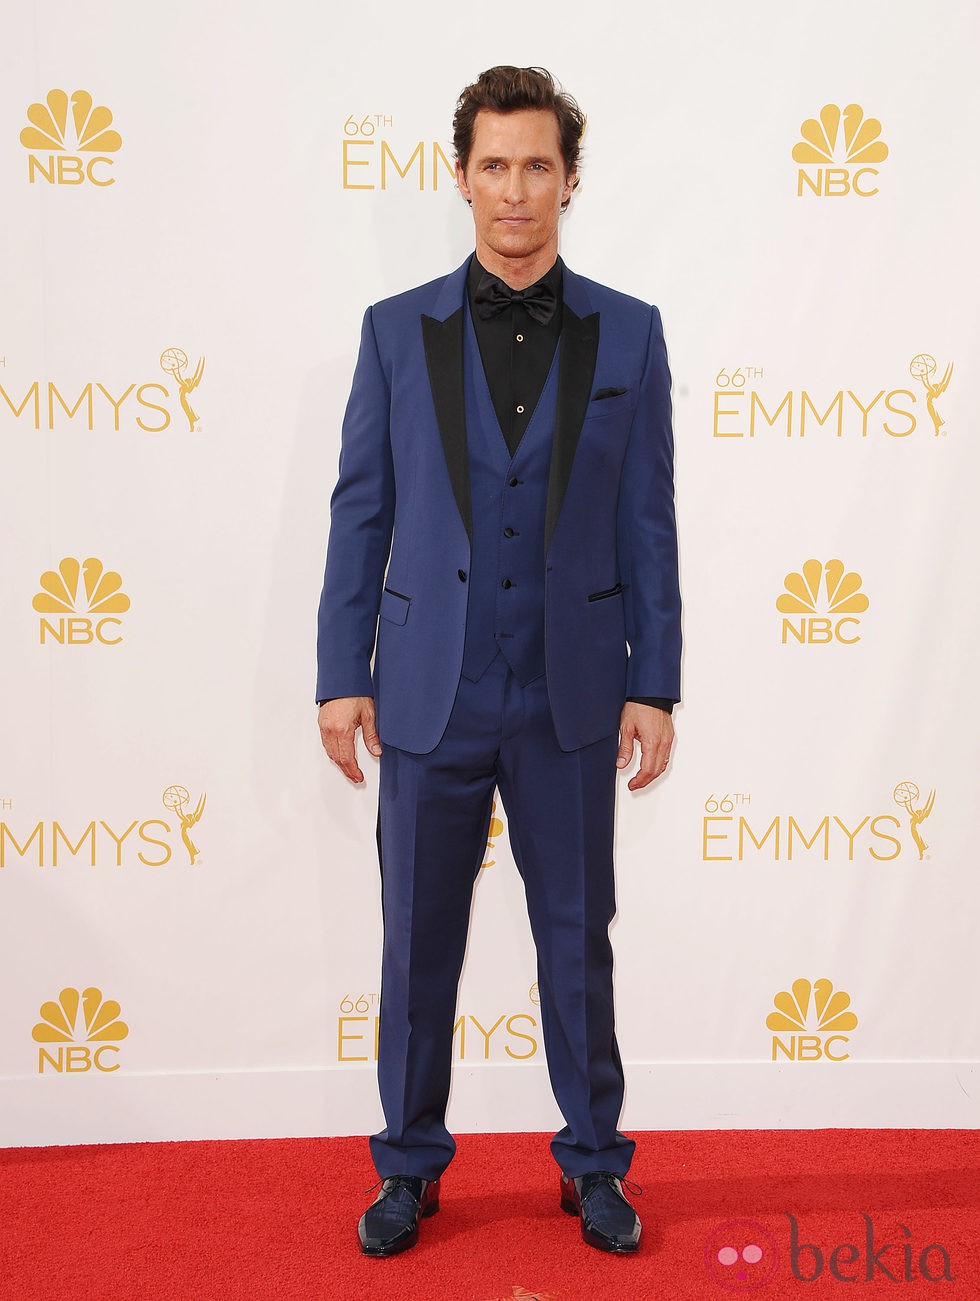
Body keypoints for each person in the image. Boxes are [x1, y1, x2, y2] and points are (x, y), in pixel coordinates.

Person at [316, 65, 681, 1258]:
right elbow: (358, 511)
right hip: (429, 687)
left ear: (568, 181)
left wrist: (652, 678)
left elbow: (647, 519)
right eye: (492, 165)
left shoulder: (630, 330)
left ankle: (592, 1165)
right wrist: (340, 668)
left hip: (572, 690)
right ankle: (407, 1168)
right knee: (416, 942)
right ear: (460, 175)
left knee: (576, 938)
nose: (513, 191)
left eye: (536, 166)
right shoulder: (391, 330)